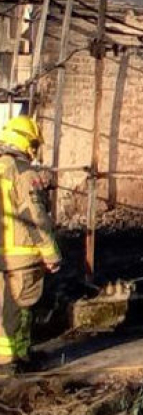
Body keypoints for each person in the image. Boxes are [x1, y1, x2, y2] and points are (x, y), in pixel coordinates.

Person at [0, 115, 60, 375]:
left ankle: (7, 357)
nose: (35, 151)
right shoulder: (23, 173)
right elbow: (35, 217)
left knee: (3, 307)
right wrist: (51, 253)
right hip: (20, 254)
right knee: (20, 308)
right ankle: (14, 362)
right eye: (34, 144)